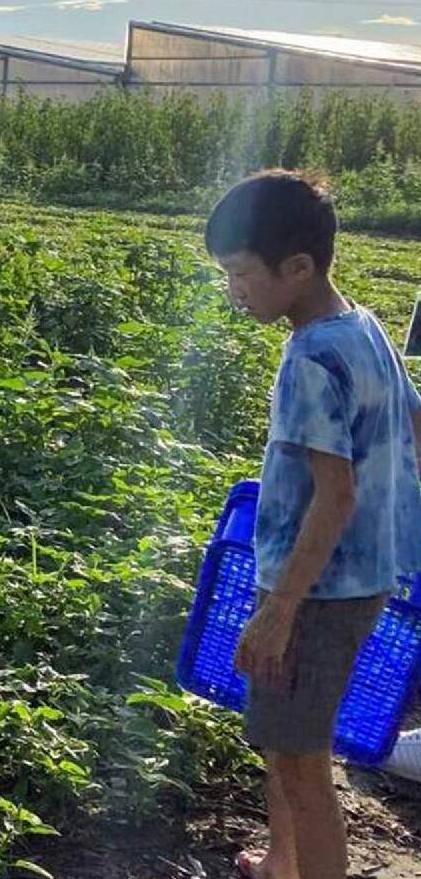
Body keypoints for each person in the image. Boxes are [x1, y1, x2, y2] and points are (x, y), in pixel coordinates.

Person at [206, 170, 421, 879]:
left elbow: (335, 498)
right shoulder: (362, 324)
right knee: (281, 736)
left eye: (240, 273)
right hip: (356, 578)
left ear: (295, 268)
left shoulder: (309, 357)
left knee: (302, 762)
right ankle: (281, 861)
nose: (234, 290)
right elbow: (415, 421)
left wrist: (279, 610)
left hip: (317, 590)